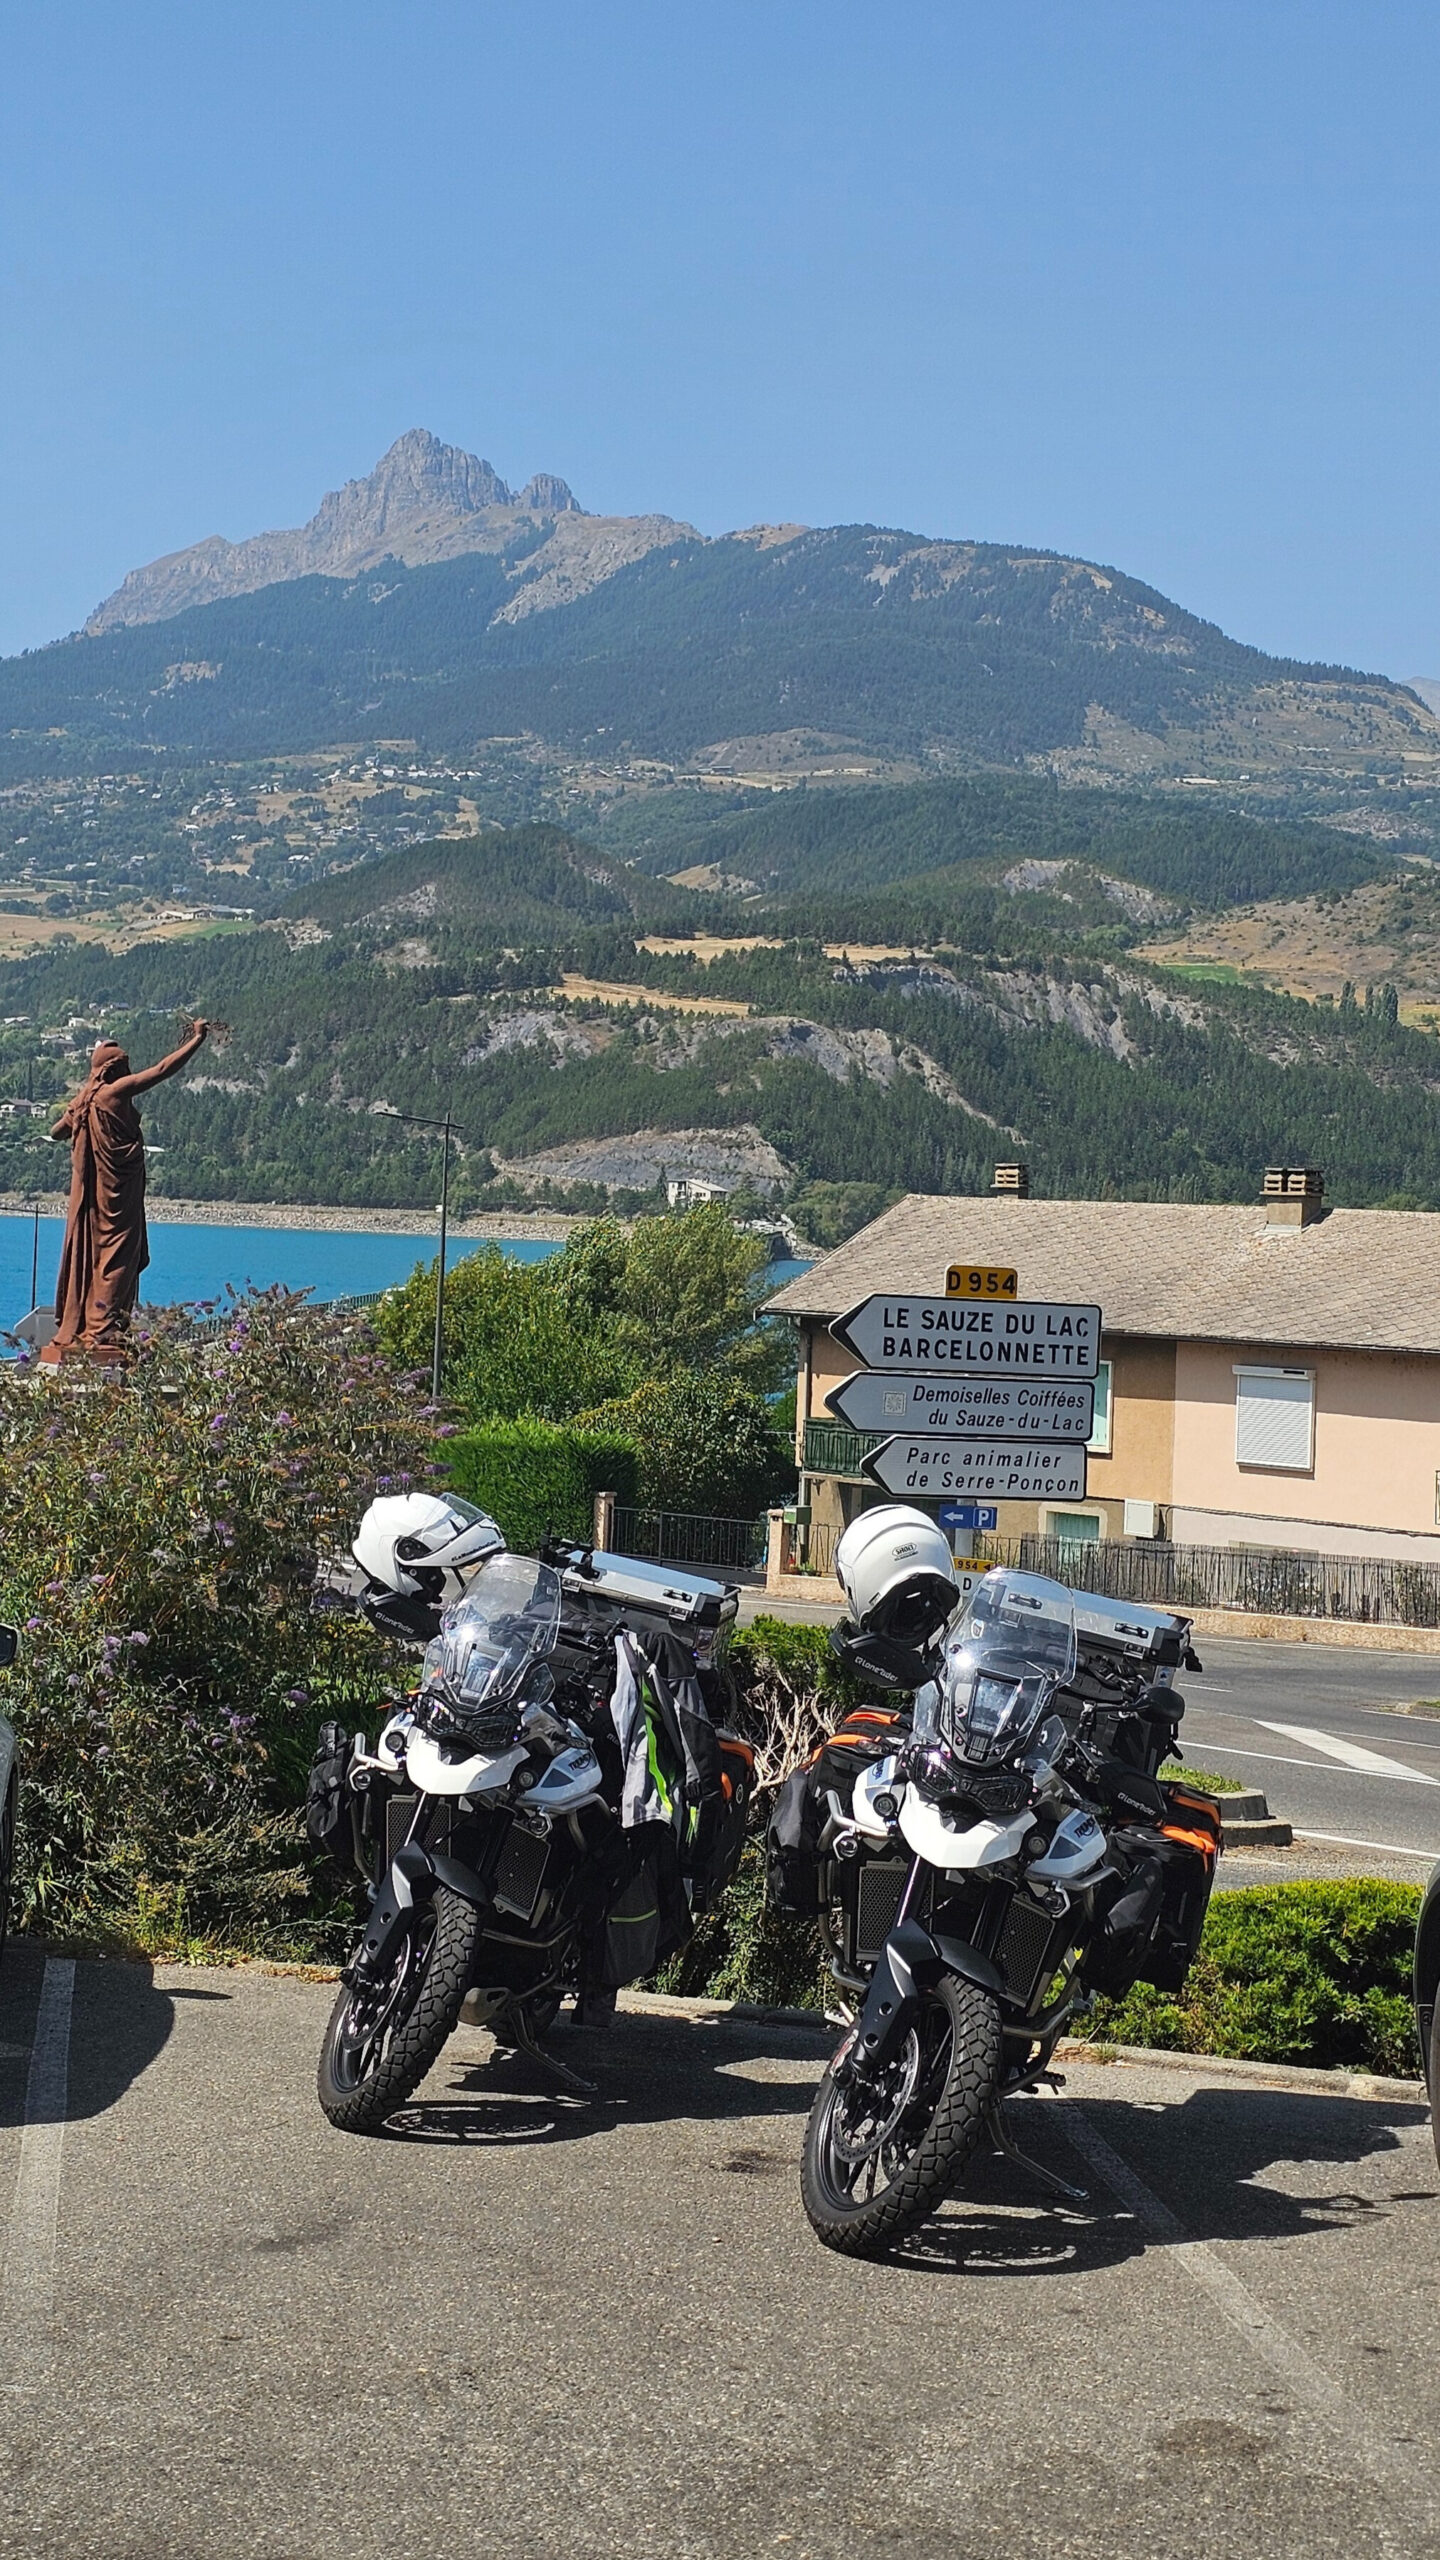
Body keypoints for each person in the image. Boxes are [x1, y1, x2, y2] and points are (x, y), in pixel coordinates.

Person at [46, 1019, 209, 1357]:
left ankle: (87, 1327)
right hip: (118, 1201)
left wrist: (78, 1110)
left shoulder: (85, 1100)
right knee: (117, 1258)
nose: (129, 1071)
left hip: (91, 1202)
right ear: (114, 1069)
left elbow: (55, 1132)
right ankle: (103, 1332)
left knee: (92, 1259)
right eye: (124, 1066)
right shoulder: (115, 1092)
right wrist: (196, 1039)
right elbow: (162, 1069)